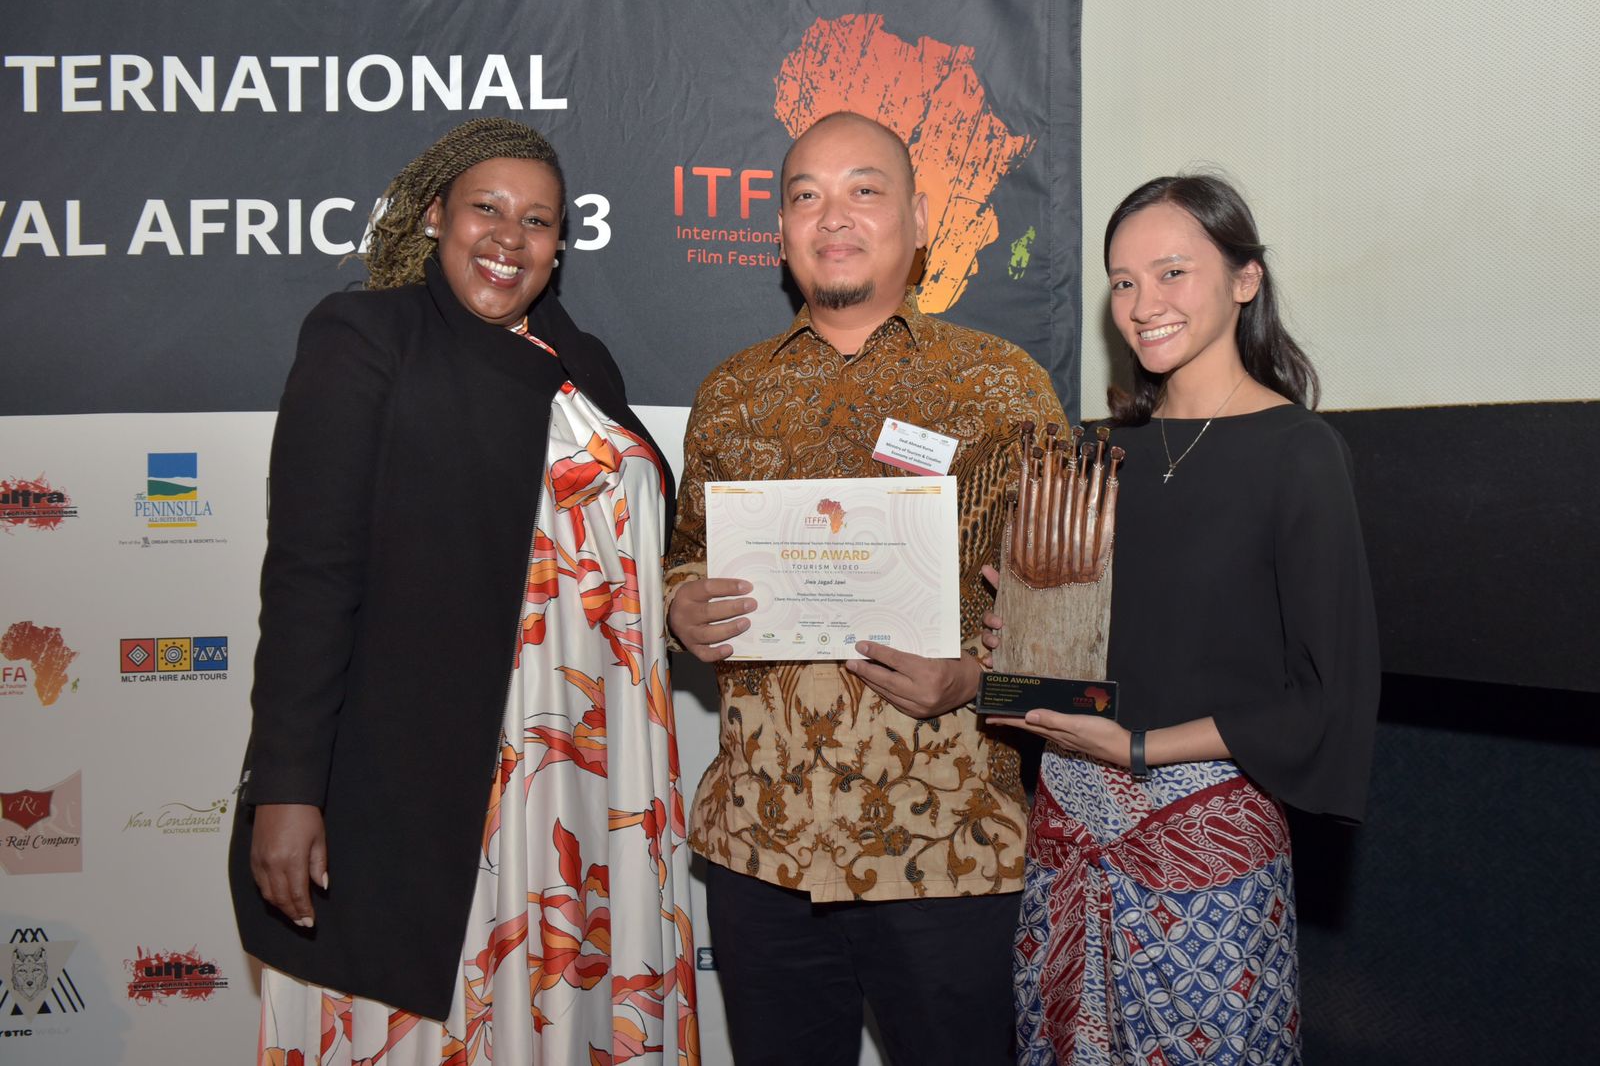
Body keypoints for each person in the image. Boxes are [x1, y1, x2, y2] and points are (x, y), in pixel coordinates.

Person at [227, 118, 699, 1065]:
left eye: (537, 221)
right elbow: (312, 576)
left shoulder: (586, 364)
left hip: (589, 771)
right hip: (425, 785)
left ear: (559, 247)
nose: (508, 237)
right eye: (487, 208)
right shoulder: (367, 337)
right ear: (436, 215)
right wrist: (287, 786)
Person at [665, 111, 1065, 1065]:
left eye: (864, 191)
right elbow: (689, 555)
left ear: (919, 221)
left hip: (947, 848)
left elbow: (1073, 633)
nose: (833, 216)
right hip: (762, 850)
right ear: (781, 232)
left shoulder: (1003, 387)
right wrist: (679, 605)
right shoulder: (729, 394)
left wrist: (974, 681)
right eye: (806, 196)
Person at [994, 174, 1380, 1064]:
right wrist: (1023, 633)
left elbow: (1324, 697)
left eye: (1172, 272)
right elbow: (1097, 658)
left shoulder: (1299, 453)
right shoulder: (1097, 457)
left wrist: (1137, 749)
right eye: (1123, 282)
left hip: (1204, 842)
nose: (1143, 304)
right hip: (1067, 828)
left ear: (1245, 279)